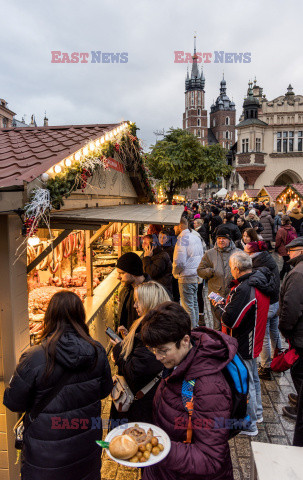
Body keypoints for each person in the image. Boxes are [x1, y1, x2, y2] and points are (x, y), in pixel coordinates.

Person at [3, 291, 113, 480]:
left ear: (49, 317)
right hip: (86, 448)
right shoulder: (98, 351)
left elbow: (14, 403)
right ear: (81, 316)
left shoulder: (34, 357)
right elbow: (104, 391)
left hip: (45, 458)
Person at [140, 302, 237, 480]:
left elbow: (210, 458)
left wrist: (157, 449)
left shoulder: (209, 388)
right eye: (153, 349)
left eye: (163, 350)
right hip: (167, 470)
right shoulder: (179, 362)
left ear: (185, 340)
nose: (157, 356)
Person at [214, 251, 272, 435]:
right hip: (254, 337)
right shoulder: (258, 281)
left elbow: (229, 320)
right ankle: (259, 414)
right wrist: (228, 303)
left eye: (231, 268)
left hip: (244, 342)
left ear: (236, 269)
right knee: (253, 379)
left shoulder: (244, 288)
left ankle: (251, 424)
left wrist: (218, 307)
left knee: (247, 383)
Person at [110, 282, 170, 424]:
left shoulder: (151, 333)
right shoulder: (158, 325)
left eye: (138, 301)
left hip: (142, 405)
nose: (134, 305)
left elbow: (135, 372)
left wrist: (119, 348)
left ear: (149, 302)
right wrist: (129, 341)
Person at [244, 241, 282, 380]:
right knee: (274, 331)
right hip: (275, 302)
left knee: (264, 335)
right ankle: (278, 357)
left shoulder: (257, 264)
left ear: (253, 253)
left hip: (267, 303)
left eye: (247, 252)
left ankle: (265, 366)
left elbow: (264, 286)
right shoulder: (268, 258)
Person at [278, 237, 303, 446]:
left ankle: (300, 407)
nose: (289, 255)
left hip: (300, 335)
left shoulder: (298, 274)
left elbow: (291, 305)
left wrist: (284, 329)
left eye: (292, 252)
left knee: (298, 370)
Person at [197, 226, 239, 330]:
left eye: (223, 238)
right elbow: (200, 270)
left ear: (229, 239)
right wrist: (209, 272)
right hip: (215, 295)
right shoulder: (209, 254)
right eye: (219, 238)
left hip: (233, 294)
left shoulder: (238, 253)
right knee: (217, 324)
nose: (221, 240)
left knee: (232, 322)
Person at [173, 217, 203, 328]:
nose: (174, 228)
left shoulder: (182, 239)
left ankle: (191, 331)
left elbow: (179, 262)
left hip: (186, 277)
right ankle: (195, 327)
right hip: (195, 276)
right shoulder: (195, 237)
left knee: (188, 306)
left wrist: (175, 273)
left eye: (175, 226)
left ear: (180, 226)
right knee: (194, 304)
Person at [116, 252, 151, 330]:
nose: (118, 277)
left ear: (134, 272)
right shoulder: (125, 291)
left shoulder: (151, 293)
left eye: (122, 273)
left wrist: (133, 338)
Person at [275, 215, 298, 280]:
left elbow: (278, 240)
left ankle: (291, 276)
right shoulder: (293, 228)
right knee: (286, 262)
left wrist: (276, 248)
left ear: (283, 221)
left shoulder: (281, 230)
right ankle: (281, 275)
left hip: (284, 248)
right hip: (291, 247)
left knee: (287, 263)